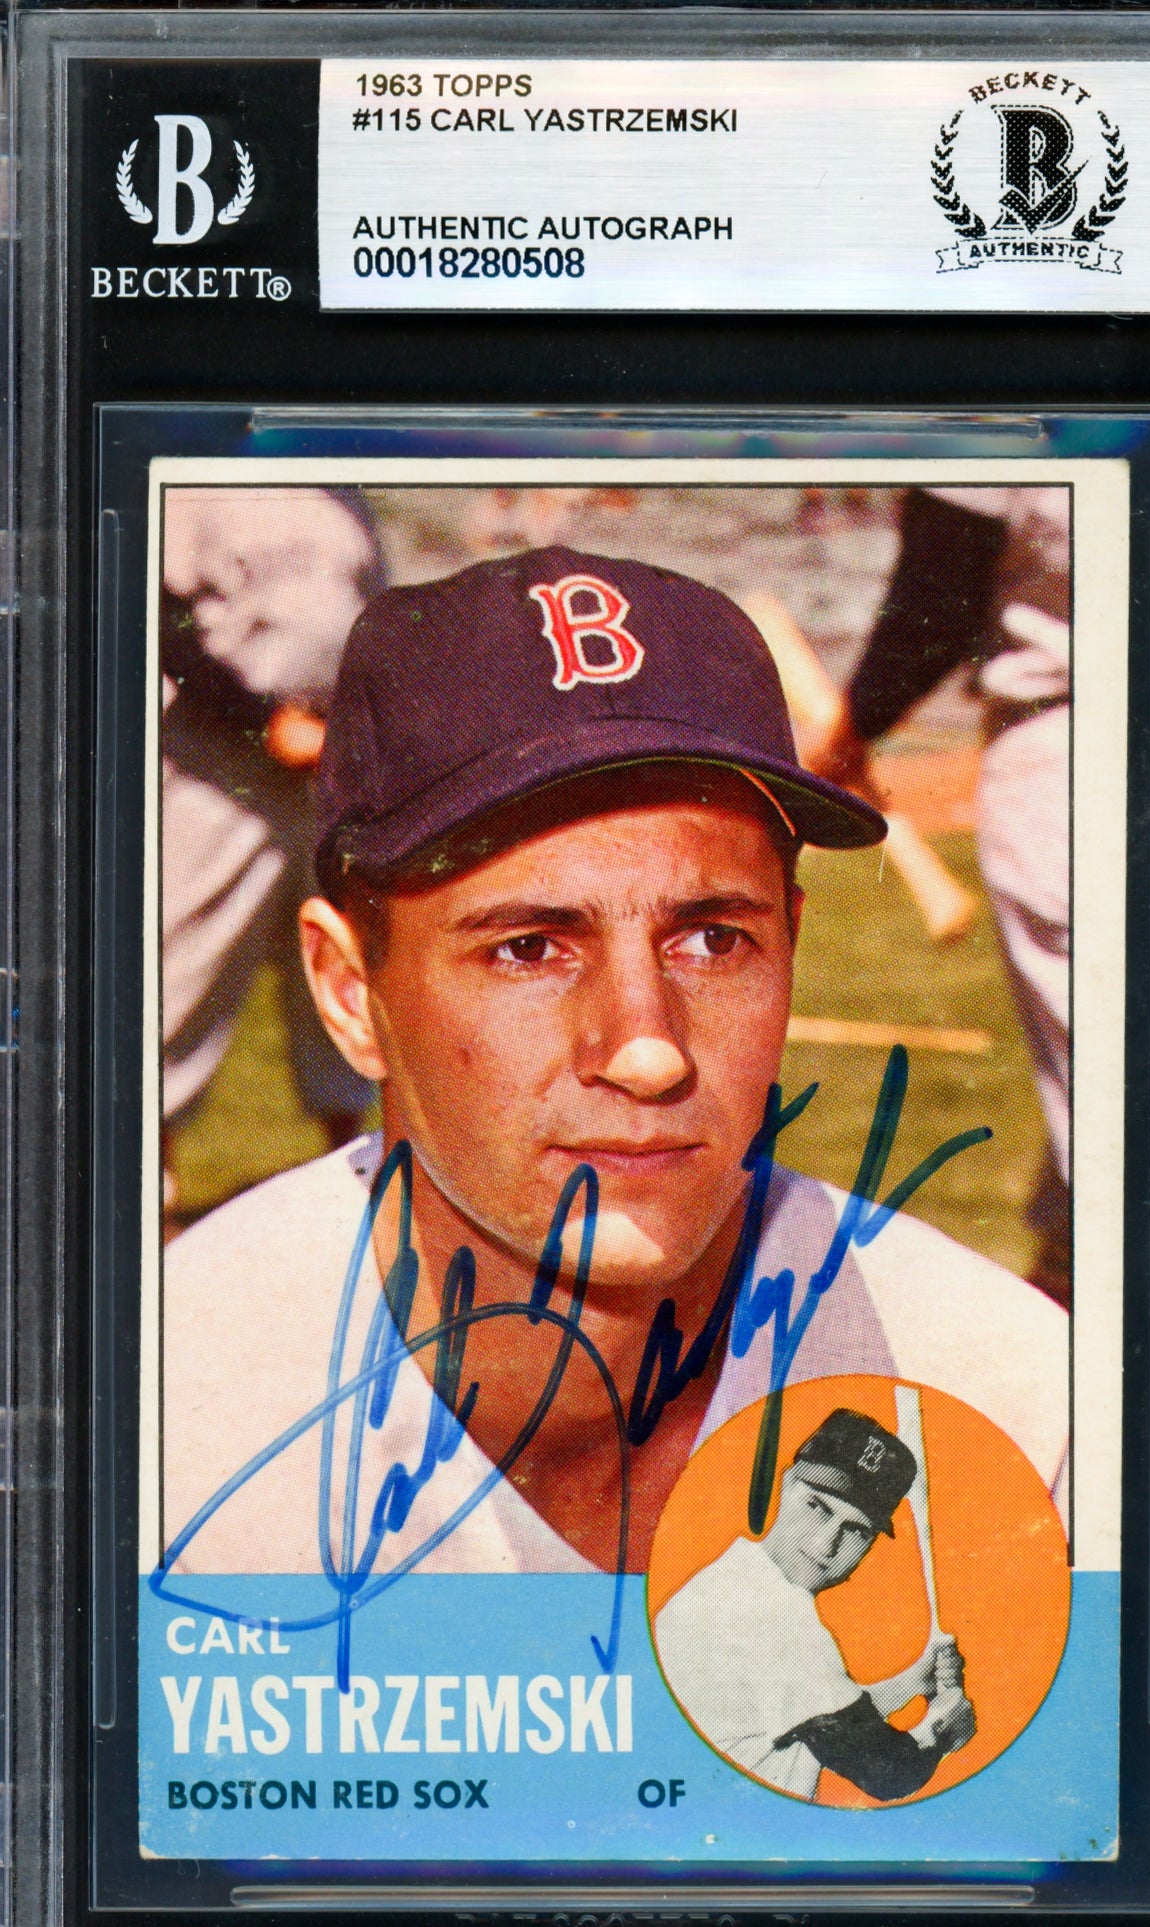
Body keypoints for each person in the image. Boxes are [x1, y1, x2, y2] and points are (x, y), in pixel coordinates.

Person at [162, 546, 1069, 1581]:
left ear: (790, 941)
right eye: (527, 948)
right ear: (347, 991)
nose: (645, 1050)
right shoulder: (165, 1428)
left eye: (713, 940)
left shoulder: (1008, 1403)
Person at [803, 487, 1071, 1303]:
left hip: (1066, 751)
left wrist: (850, 729)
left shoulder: (994, 410)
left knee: (1127, 1112)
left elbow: (941, 584)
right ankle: (1058, 1306)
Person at [161, 487, 382, 1210]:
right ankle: (145, 1188)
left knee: (348, 965)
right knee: (177, 971)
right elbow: (156, 620)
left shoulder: (345, 499)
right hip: (216, 764)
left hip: (325, 760)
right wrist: (258, 721)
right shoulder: (201, 482)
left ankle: (359, 1171)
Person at [654, 1409, 975, 1802]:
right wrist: (944, 1729)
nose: (826, 1544)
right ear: (787, 1483)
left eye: (856, 1530)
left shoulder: (732, 1578)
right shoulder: (781, 1617)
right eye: (817, 1507)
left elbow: (817, 1721)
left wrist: (914, 1683)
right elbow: (887, 1772)